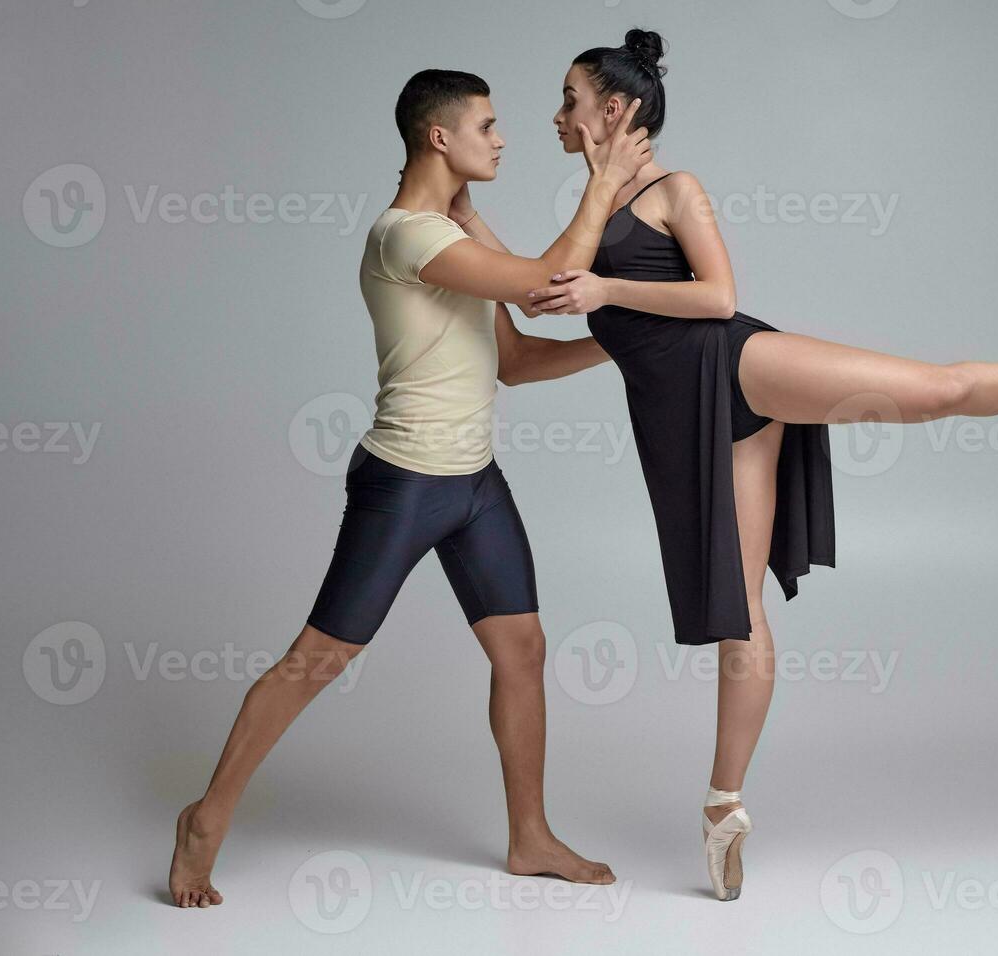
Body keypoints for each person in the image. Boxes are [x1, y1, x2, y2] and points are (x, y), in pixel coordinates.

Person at [526, 29, 998, 901]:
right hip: (679, 415)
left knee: (936, 391)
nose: (556, 116)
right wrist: (562, 239)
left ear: (614, 108)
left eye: (569, 99)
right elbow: (550, 303)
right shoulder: (594, 203)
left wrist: (608, 294)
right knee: (737, 617)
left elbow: (717, 298)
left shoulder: (677, 189)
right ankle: (722, 807)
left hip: (738, 367)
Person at [167, 70, 654, 908]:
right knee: (320, 659)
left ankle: (530, 837)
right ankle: (205, 818)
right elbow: (545, 282)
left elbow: (519, 359)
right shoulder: (405, 236)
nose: (503, 138)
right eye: (488, 125)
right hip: (404, 484)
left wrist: (627, 346)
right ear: (440, 137)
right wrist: (605, 182)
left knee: (524, 652)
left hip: (474, 486)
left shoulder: (452, 233)